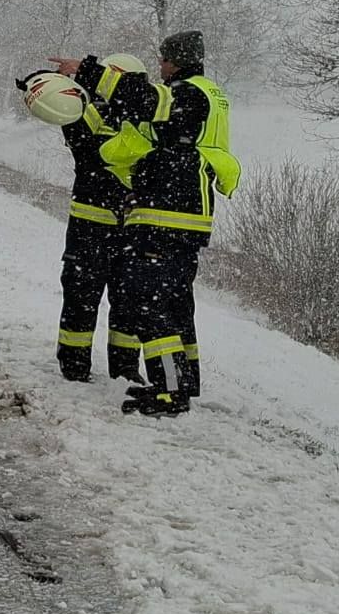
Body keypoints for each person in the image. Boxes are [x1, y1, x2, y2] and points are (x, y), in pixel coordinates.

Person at [56, 30, 238, 418]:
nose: (160, 66)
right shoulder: (211, 95)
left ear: (176, 61)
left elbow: (145, 99)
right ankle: (184, 383)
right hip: (186, 215)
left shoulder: (190, 93)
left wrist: (88, 71)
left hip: (166, 214)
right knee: (173, 303)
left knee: (148, 304)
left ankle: (169, 391)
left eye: (163, 60)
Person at [34, 53, 145, 384]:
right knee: (89, 297)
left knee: (124, 301)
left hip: (111, 228)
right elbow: (77, 132)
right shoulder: (91, 112)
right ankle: (78, 365)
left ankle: (120, 368)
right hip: (99, 227)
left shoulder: (141, 120)